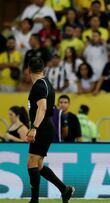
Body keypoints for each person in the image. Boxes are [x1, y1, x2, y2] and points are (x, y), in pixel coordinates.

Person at [26, 57, 74, 203]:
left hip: (42, 127)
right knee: (38, 165)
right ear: (44, 69)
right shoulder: (46, 83)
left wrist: (34, 128)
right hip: (46, 126)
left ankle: (34, 200)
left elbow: (43, 107)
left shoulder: (39, 86)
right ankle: (65, 190)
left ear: (28, 70)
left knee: (31, 164)